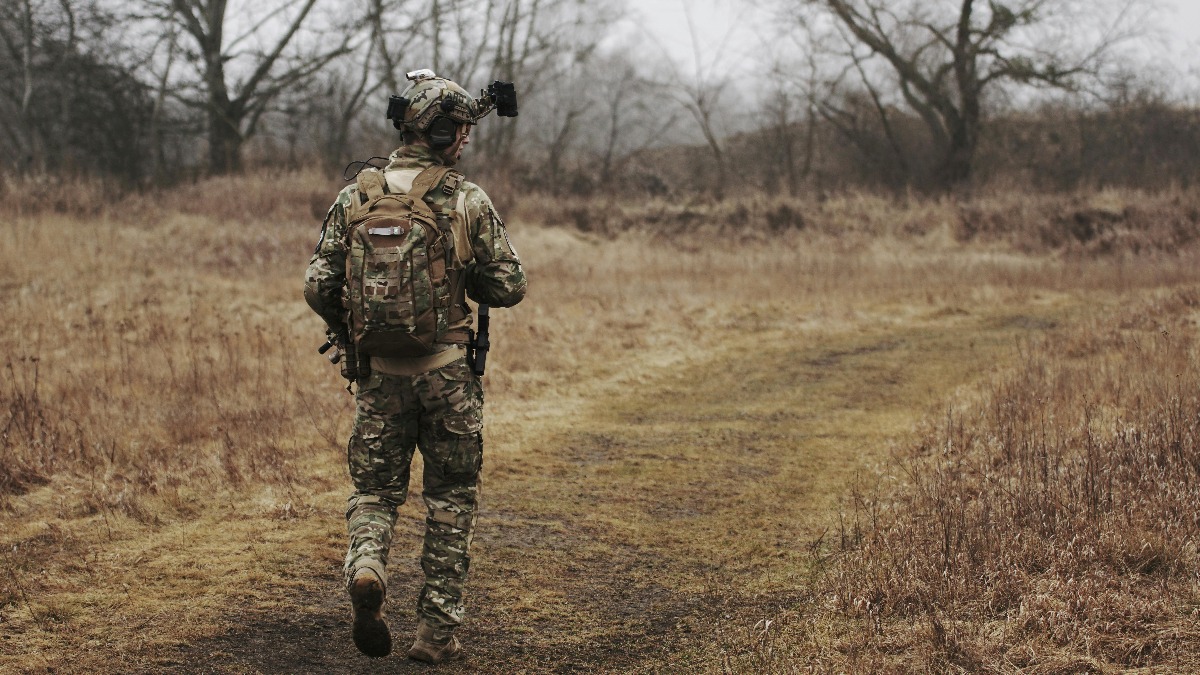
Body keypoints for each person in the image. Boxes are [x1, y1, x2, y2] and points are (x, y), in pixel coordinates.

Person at [304, 70, 526, 663]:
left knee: (374, 491)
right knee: (451, 499)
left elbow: (318, 283)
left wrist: (350, 336)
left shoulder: (357, 195)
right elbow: (509, 286)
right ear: (448, 132)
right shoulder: (464, 198)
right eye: (464, 133)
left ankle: (369, 565)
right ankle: (435, 634)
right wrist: (463, 274)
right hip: (449, 375)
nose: (468, 143)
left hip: (379, 376)